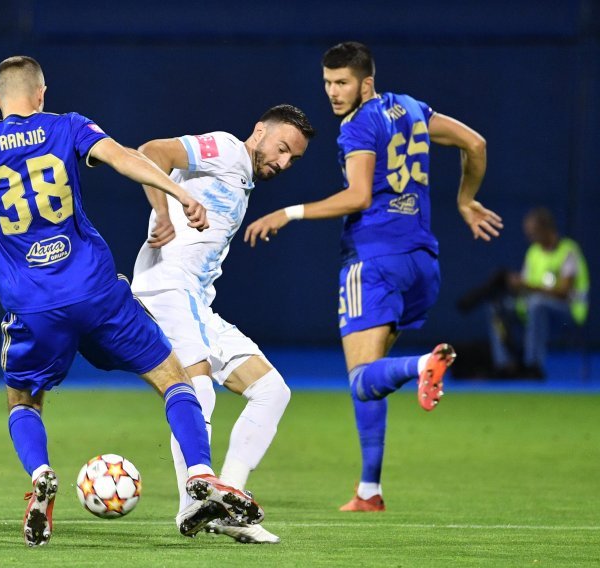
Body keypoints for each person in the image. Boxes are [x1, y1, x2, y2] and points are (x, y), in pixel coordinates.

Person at [0, 53, 265, 547]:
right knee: (173, 379)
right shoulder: (68, 126)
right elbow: (122, 155)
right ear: (41, 94)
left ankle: (39, 477)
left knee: (24, 401)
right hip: (96, 292)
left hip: (31, 304)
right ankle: (200, 473)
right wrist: (178, 195)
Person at [244, 42, 503, 511]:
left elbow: (359, 196)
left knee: (363, 378)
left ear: (366, 82)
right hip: (422, 261)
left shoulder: (358, 126)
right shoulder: (410, 108)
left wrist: (289, 212)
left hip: (374, 260)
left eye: (342, 82)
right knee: (372, 377)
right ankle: (369, 491)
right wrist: (466, 200)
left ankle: (424, 365)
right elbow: (476, 143)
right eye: (327, 82)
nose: (333, 92)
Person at [131, 105, 314, 543]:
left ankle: (225, 503)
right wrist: (161, 211)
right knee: (198, 391)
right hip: (167, 287)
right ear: (259, 132)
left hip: (196, 301)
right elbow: (151, 151)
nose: (284, 163)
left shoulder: (242, 179)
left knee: (272, 391)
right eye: (282, 148)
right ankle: (192, 505)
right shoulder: (228, 150)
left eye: (294, 159)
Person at [485, 207, 589, 378]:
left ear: (546, 229)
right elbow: (527, 285)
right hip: (533, 307)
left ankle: (533, 366)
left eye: (533, 233)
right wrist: (516, 285)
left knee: (537, 304)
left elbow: (563, 292)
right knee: (497, 307)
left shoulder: (568, 250)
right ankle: (505, 365)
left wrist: (529, 287)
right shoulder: (533, 251)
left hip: (567, 311)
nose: (530, 237)